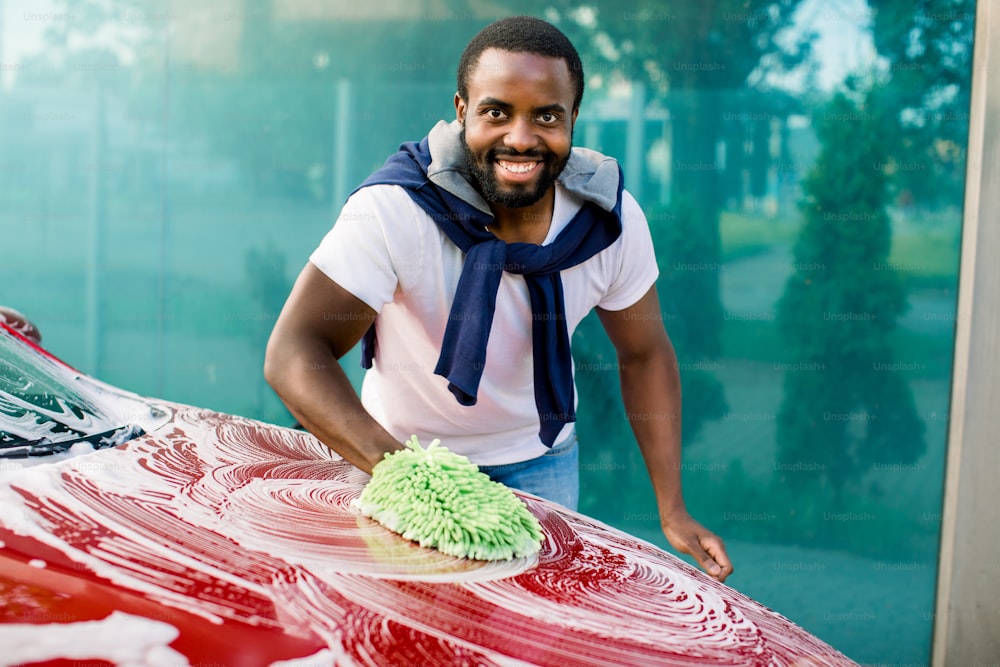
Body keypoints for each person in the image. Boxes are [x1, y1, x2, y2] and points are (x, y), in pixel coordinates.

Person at [265, 15, 732, 582]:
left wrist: (672, 506)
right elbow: (296, 350)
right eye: (496, 112)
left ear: (573, 120)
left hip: (544, 467)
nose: (520, 137)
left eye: (546, 116)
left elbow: (645, 354)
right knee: (407, 629)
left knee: (527, 634)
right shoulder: (396, 209)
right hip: (397, 458)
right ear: (462, 112)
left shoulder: (609, 223)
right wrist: (410, 478)